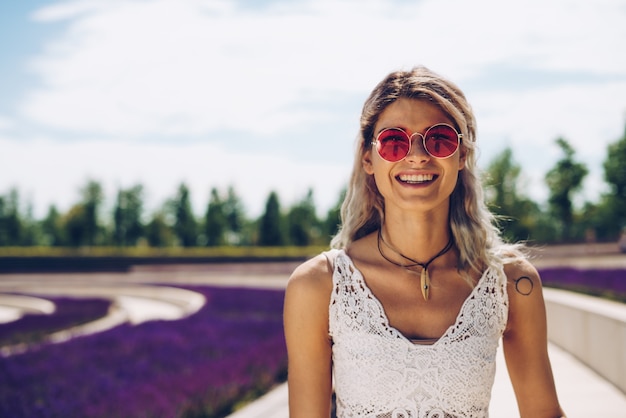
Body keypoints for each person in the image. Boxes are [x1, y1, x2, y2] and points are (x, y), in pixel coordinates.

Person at [283, 66, 565, 417]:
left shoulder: (511, 283)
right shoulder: (319, 286)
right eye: (394, 141)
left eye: (439, 139)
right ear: (368, 158)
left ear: (462, 155)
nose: (416, 155)